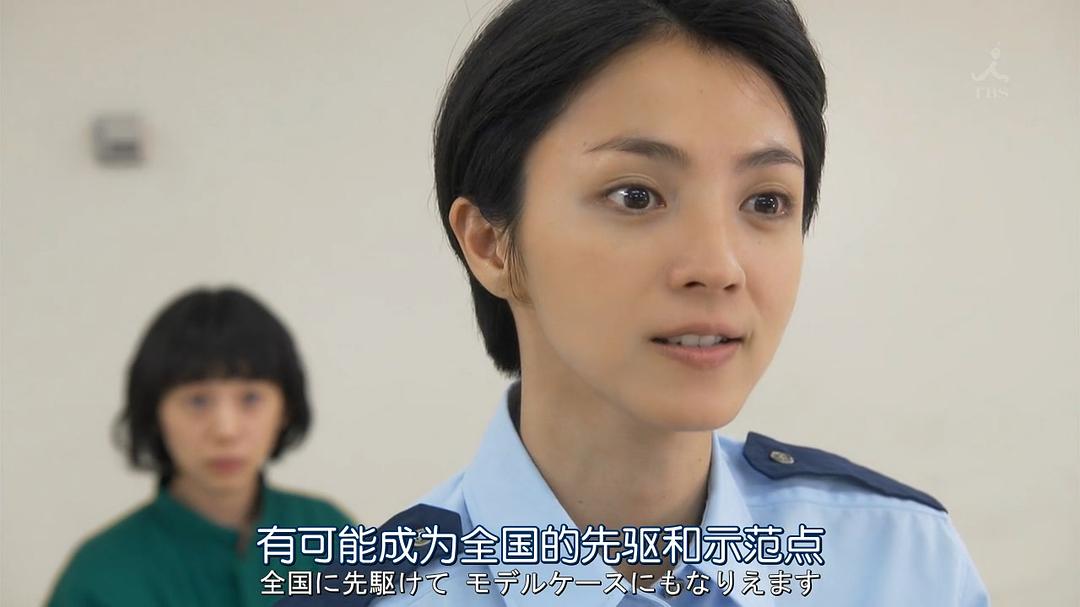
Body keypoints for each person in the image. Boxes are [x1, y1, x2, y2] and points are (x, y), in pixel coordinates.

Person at [286, 0, 991, 605]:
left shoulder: (902, 562)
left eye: (766, 201)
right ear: (491, 244)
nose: (718, 267)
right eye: (635, 196)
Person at [48, 286, 353, 606]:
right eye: (197, 400)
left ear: (285, 410)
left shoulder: (330, 532)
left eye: (251, 398)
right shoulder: (99, 575)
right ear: (154, 413)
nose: (226, 430)